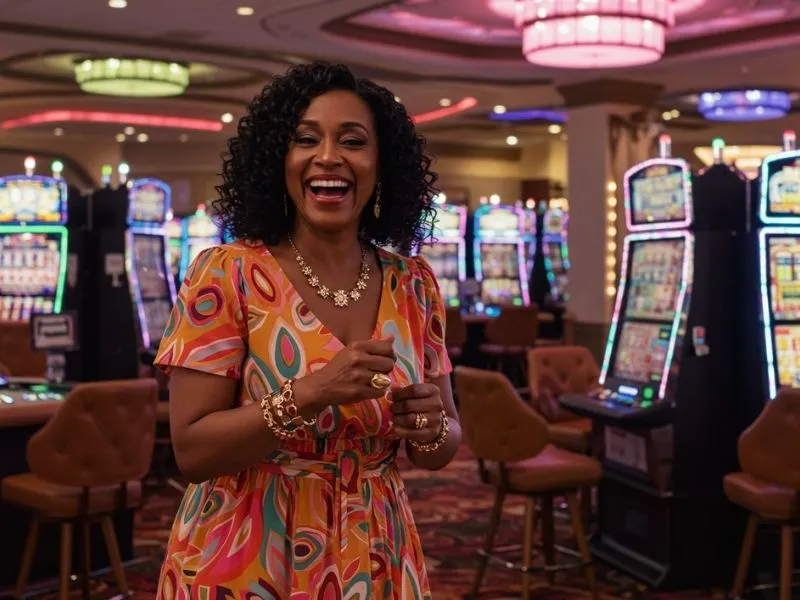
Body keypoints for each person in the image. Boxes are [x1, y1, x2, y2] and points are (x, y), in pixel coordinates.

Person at [153, 61, 461, 599]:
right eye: (305, 139)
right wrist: (311, 393)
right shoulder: (225, 272)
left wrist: (431, 425)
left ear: (381, 164)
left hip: (377, 546)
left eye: (353, 141)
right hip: (247, 549)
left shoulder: (414, 283)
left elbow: (441, 445)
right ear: (279, 159)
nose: (328, 157)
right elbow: (193, 452)